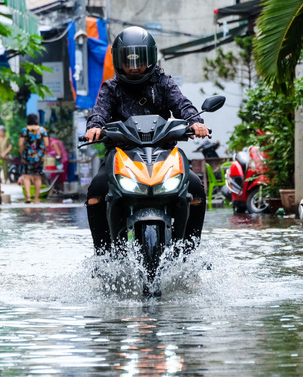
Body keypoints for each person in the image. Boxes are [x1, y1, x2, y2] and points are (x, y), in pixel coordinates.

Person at [84, 26, 210, 256]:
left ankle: (190, 254)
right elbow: (99, 112)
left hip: (164, 155)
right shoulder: (111, 88)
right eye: (128, 61)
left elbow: (182, 104)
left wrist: (195, 122)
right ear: (119, 61)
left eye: (139, 60)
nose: (134, 67)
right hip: (121, 156)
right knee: (96, 192)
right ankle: (102, 256)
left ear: (150, 58)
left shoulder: (163, 82)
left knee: (196, 189)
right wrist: (94, 127)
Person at [18, 113, 50, 204]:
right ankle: (36, 199)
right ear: (37, 120)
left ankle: (28, 196)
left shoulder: (24, 130)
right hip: (39, 157)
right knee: (37, 177)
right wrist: (42, 152)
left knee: (27, 176)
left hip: (27, 156)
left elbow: (20, 144)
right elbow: (47, 144)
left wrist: (22, 153)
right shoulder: (42, 130)